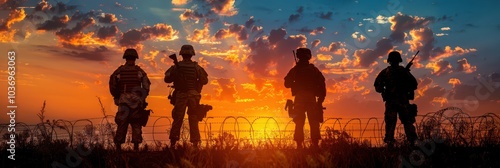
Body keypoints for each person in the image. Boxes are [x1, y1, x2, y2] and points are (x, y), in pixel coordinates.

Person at [164, 44, 209, 147]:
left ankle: (173, 143)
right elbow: (204, 80)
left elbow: (167, 79)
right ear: (192, 54)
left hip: (181, 95)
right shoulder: (196, 67)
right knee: (193, 118)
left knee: (178, 118)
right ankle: (195, 143)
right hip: (193, 95)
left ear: (182, 54)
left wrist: (176, 75)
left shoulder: (176, 66)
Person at [109, 48, 151, 151]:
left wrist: (117, 96)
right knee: (136, 123)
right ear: (135, 58)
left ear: (125, 58)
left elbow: (112, 85)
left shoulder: (119, 71)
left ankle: (118, 146)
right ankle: (136, 147)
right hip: (136, 101)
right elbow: (146, 86)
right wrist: (142, 98)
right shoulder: (139, 71)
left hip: (123, 100)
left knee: (122, 123)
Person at [284, 48, 326, 149]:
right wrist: (320, 100)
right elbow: (322, 84)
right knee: (314, 121)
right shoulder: (313, 70)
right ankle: (315, 144)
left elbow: (286, 84)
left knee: (299, 121)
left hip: (299, 98)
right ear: (309, 57)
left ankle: (299, 145)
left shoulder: (295, 70)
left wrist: (295, 82)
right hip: (311, 98)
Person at [374, 51, 418, 146]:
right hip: (402, 101)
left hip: (392, 102)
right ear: (399, 60)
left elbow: (377, 86)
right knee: (407, 122)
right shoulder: (404, 72)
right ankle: (413, 143)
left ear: (389, 60)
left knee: (391, 123)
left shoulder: (386, 72)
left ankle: (390, 144)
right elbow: (414, 84)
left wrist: (384, 90)